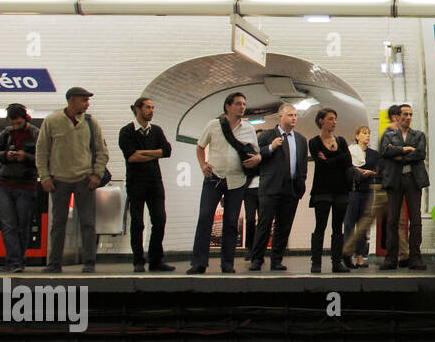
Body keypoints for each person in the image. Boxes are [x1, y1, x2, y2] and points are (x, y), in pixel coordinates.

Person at [36, 87, 109, 273]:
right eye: (83, 100)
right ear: (71, 100)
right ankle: (54, 263)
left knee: (88, 223)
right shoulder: (52, 121)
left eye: (87, 100)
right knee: (58, 223)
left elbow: (102, 151)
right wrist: (44, 176)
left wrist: (96, 174)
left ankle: (89, 262)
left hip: (85, 179)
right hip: (58, 179)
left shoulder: (91, 122)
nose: (87, 103)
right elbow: (42, 150)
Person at [189, 92, 261, 274]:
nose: (242, 107)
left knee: (230, 222)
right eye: (238, 103)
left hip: (237, 180)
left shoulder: (249, 129)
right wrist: (202, 164)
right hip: (214, 177)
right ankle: (199, 263)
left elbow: (257, 153)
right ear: (227, 106)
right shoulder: (214, 125)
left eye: (244, 103)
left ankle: (227, 264)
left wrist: (257, 159)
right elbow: (200, 146)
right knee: (205, 218)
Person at [118, 97, 175, 272]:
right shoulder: (127, 131)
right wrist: (154, 153)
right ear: (137, 109)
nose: (151, 110)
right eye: (148, 107)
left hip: (155, 181)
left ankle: (156, 260)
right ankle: (138, 261)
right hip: (136, 182)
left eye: (152, 108)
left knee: (160, 220)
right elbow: (131, 156)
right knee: (137, 222)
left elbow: (166, 151)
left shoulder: (156, 131)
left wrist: (143, 153)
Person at [249, 103, 307, 272]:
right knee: (264, 224)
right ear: (280, 117)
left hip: (291, 189)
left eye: (295, 115)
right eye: (290, 115)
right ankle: (257, 259)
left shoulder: (301, 140)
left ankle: (277, 260)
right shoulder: (268, 135)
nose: (294, 118)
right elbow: (256, 155)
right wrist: (270, 148)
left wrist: (301, 183)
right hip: (270, 188)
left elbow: (302, 164)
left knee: (284, 226)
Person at [0, 103, 39, 273]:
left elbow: (42, 158)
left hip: (26, 184)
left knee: (22, 224)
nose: (16, 127)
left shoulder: (35, 134)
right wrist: (6, 155)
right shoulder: (7, 133)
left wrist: (25, 157)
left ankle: (18, 261)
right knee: (8, 224)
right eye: (14, 123)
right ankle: (13, 260)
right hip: (4, 184)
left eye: (19, 123)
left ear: (25, 119)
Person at [379, 103, 428, 270]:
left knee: (416, 219)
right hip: (395, 180)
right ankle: (390, 258)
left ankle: (415, 257)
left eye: (410, 114)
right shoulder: (389, 135)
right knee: (392, 220)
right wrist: (405, 149)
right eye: (405, 114)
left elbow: (420, 153)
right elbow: (385, 151)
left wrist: (399, 155)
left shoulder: (419, 135)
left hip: (413, 180)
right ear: (397, 117)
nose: (408, 117)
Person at [308, 108, 352, 273]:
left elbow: (347, 160)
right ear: (321, 121)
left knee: (337, 228)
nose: (334, 122)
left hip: (341, 189)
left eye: (335, 119)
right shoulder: (314, 142)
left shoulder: (341, 141)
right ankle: (316, 262)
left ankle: (336, 262)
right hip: (322, 189)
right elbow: (321, 165)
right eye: (330, 119)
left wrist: (330, 160)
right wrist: (337, 160)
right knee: (320, 226)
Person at [343, 124, 382, 268]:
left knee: (362, 226)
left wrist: (371, 173)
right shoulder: (351, 151)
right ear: (357, 136)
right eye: (364, 133)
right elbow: (347, 168)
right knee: (349, 224)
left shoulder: (373, 154)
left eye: (369, 134)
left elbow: (379, 171)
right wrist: (358, 171)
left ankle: (360, 256)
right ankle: (347, 256)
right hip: (353, 191)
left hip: (367, 191)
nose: (367, 136)